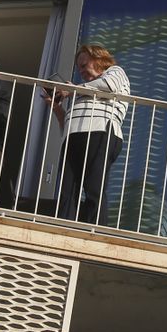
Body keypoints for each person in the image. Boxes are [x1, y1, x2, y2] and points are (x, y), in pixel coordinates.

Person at [45, 44, 130, 225]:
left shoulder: (115, 71)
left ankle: (96, 233)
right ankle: (64, 228)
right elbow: (66, 124)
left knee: (94, 187)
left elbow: (109, 85)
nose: (81, 71)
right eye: (79, 68)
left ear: (99, 59)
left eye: (84, 65)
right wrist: (57, 108)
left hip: (101, 131)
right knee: (67, 190)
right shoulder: (83, 90)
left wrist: (74, 89)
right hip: (74, 137)